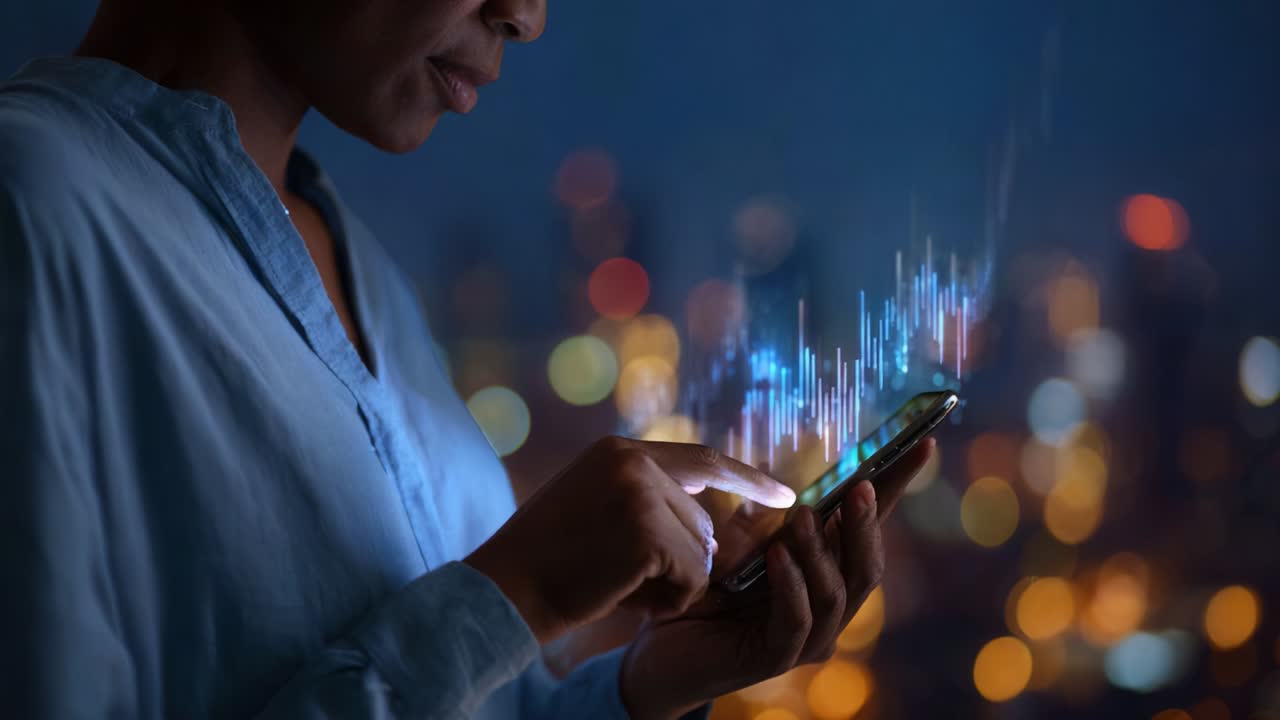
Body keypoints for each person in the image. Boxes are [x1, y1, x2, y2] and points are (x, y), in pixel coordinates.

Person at [0, 0, 935, 717]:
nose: (526, 16)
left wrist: (646, 688)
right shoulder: (32, 209)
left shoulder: (373, 284)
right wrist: (519, 591)